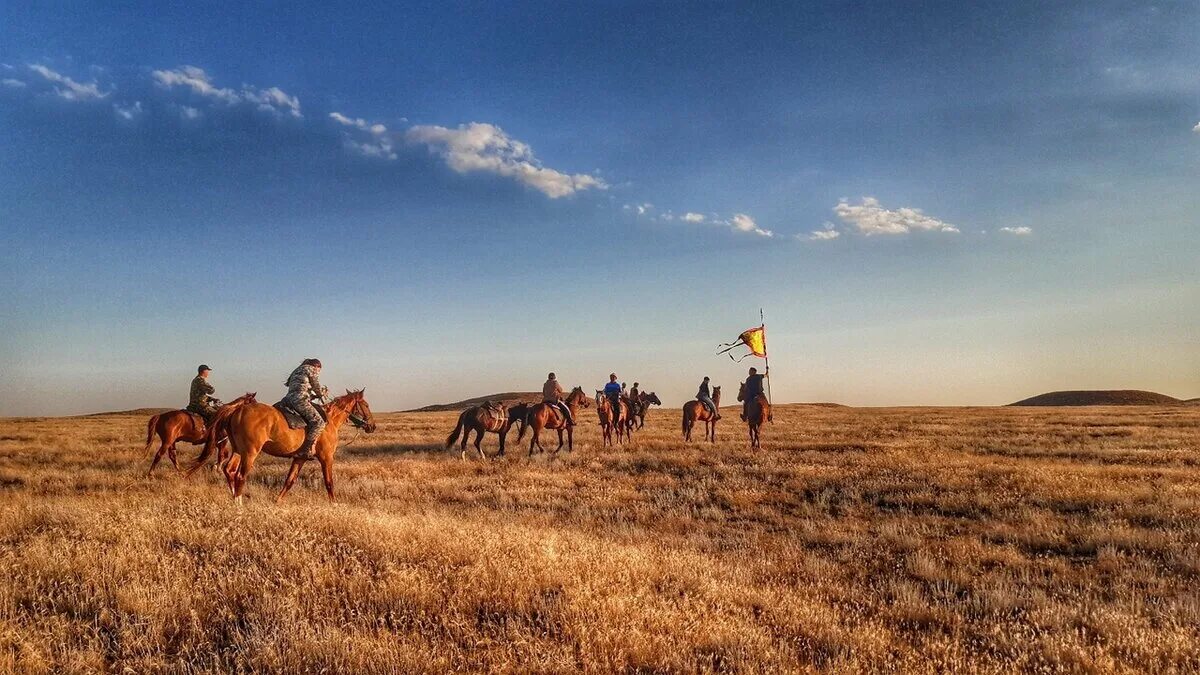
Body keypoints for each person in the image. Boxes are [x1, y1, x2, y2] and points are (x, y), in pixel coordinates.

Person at [285, 358, 328, 459]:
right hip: (300, 400)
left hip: (288, 399)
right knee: (319, 423)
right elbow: (316, 387)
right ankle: (304, 450)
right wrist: (323, 393)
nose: (318, 372)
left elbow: (300, 387)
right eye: (319, 370)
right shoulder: (311, 370)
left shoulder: (297, 370)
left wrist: (313, 395)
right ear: (317, 367)